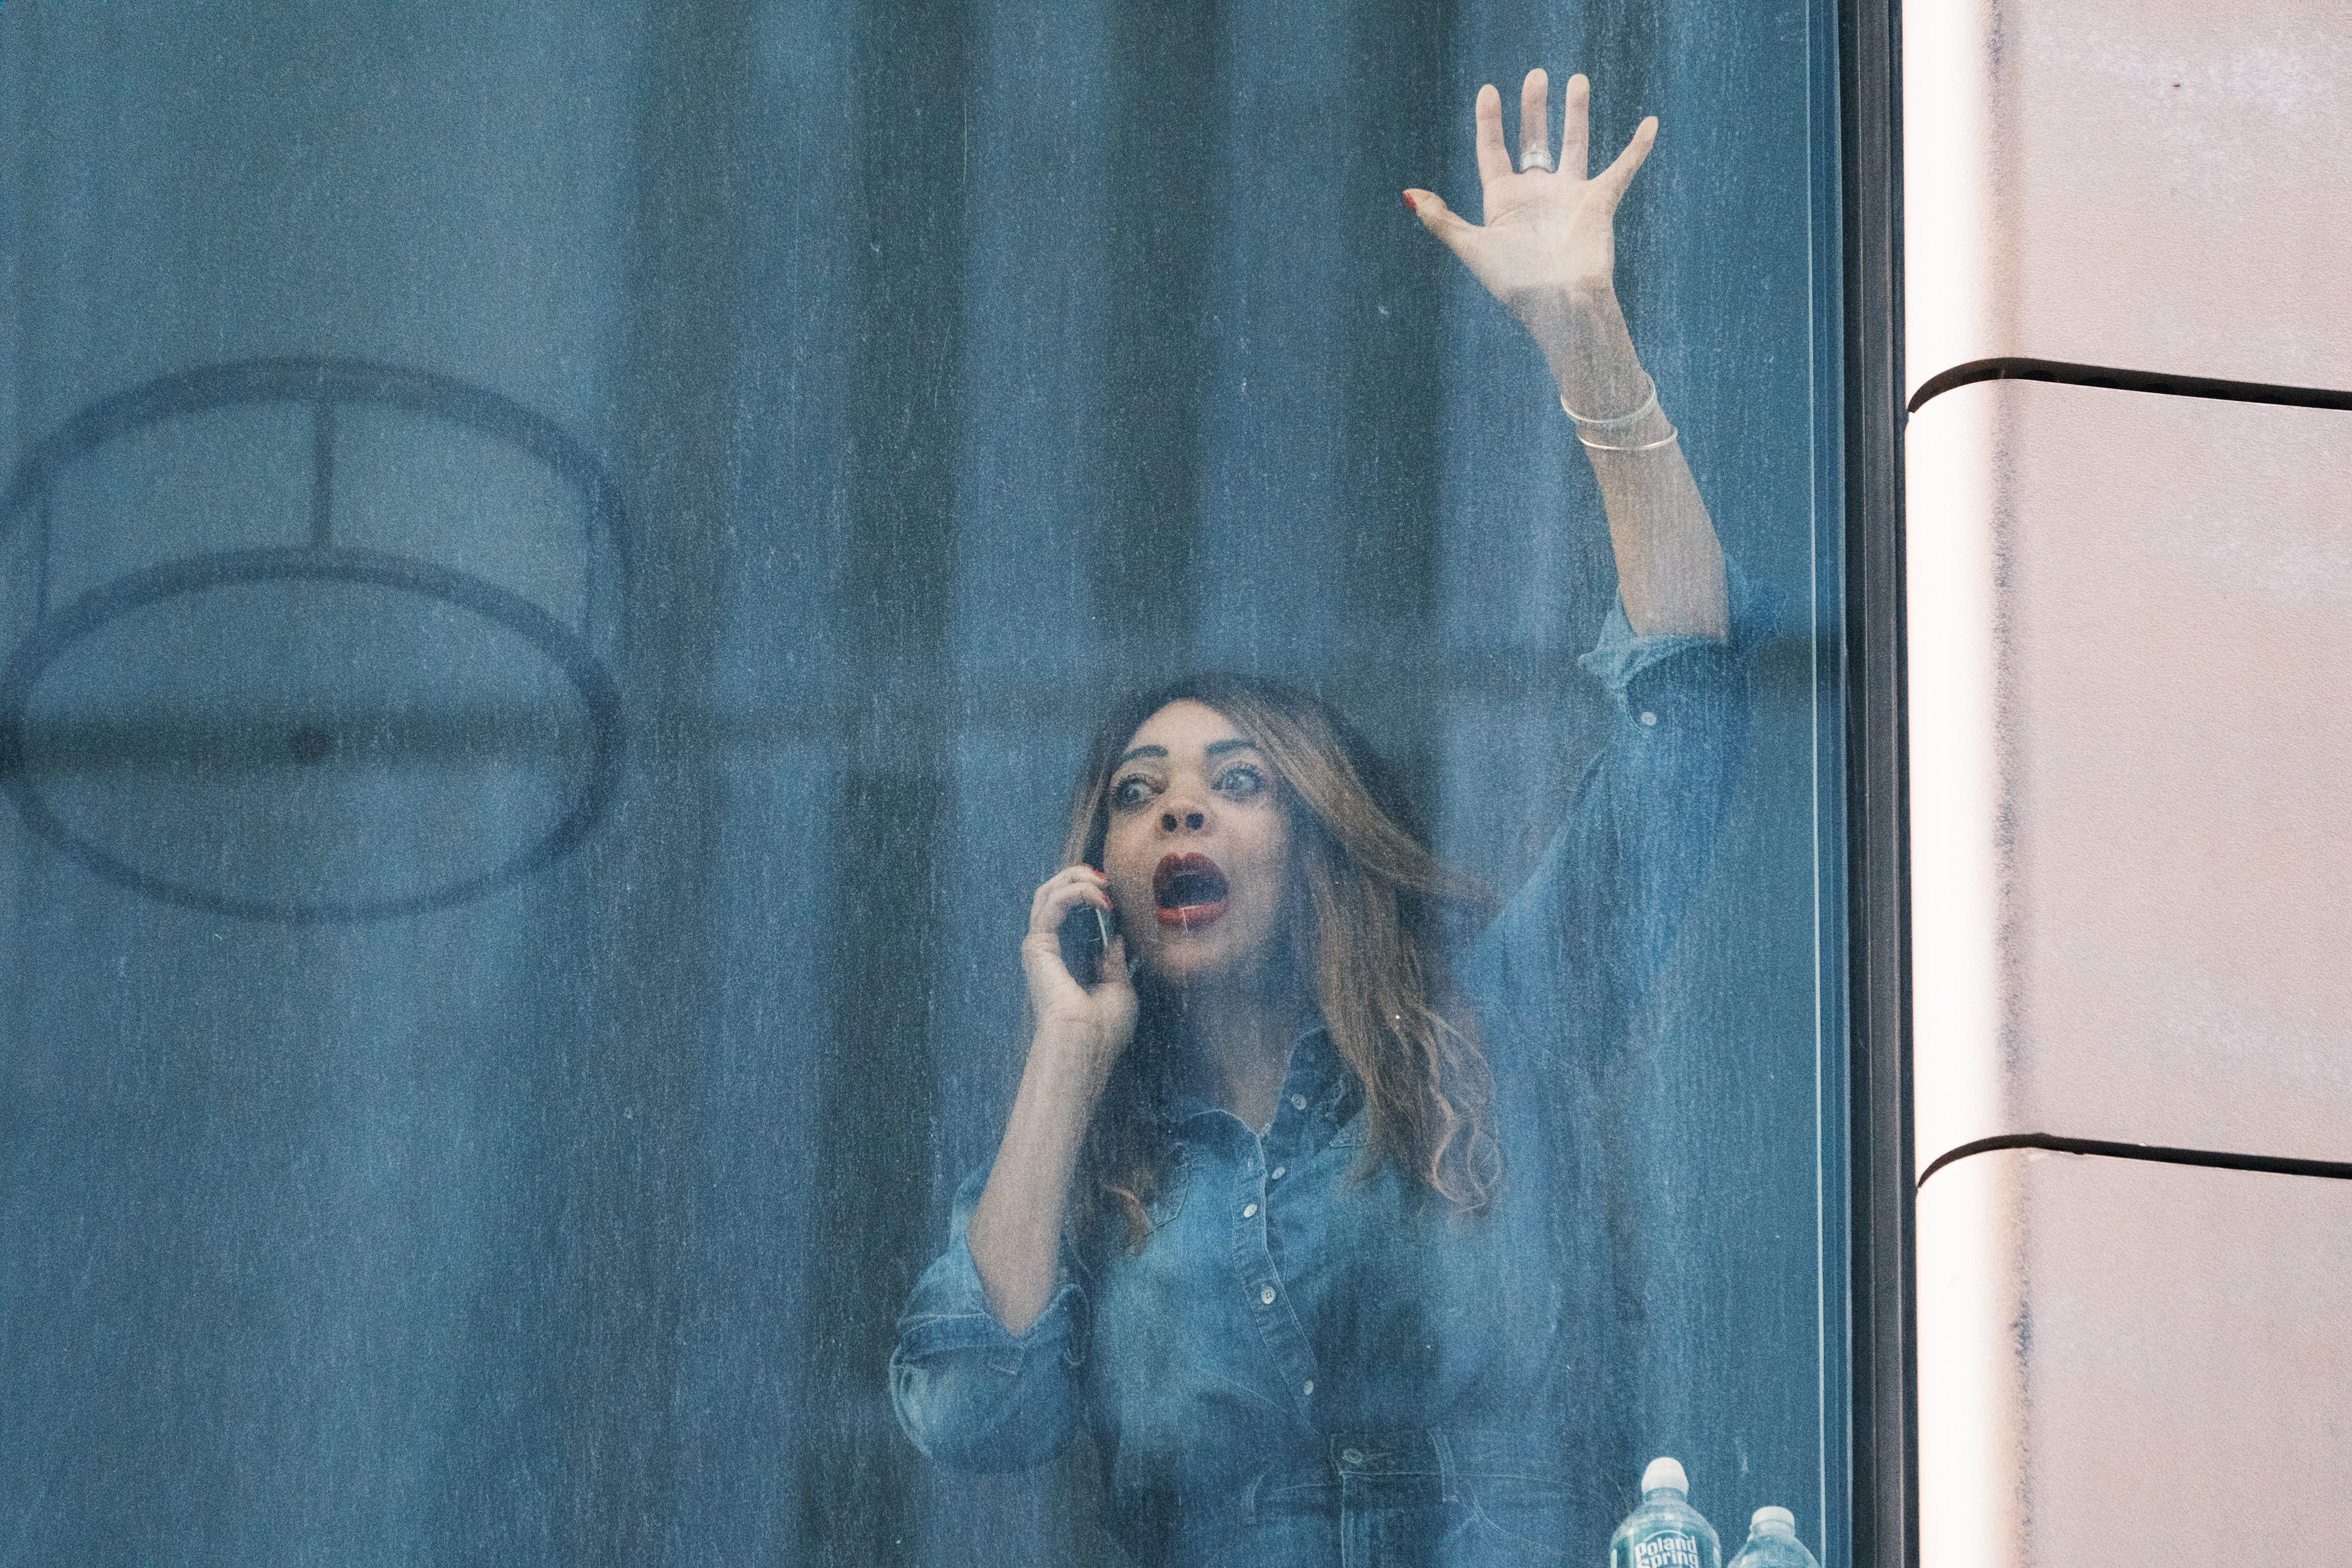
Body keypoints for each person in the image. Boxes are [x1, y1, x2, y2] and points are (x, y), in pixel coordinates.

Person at [891, 69, 1750, 1567]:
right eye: (1138, 795)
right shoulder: (1101, 1160)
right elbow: (970, 1415)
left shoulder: (1497, 1019)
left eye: (1236, 783)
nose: (1180, 816)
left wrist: (1581, 340)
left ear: (1314, 841)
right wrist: (1069, 1055)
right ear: (1101, 871)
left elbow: (1686, 719)